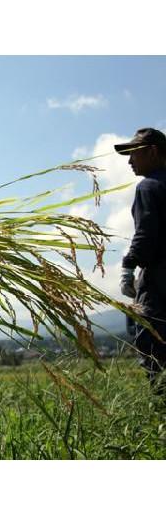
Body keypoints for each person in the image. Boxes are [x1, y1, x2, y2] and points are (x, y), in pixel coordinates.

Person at [115, 127, 166, 395]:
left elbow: (145, 234)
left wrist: (128, 266)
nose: (129, 160)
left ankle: (160, 411)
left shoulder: (149, 187)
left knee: (151, 346)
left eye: (134, 153)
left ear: (153, 152)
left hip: (158, 284)